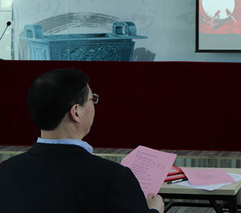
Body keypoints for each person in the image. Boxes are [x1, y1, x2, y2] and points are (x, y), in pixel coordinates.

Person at [0, 68, 164, 213]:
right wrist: (154, 209)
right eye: (92, 100)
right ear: (76, 112)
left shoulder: (5, 172)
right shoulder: (114, 178)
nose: (94, 105)